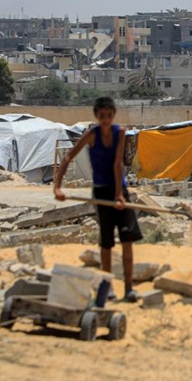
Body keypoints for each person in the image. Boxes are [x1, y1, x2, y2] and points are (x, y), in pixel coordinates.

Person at [54, 97, 143, 303]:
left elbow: (117, 164)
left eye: (109, 116)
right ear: (97, 116)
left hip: (119, 190)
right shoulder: (91, 135)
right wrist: (57, 186)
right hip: (101, 191)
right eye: (102, 116)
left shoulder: (119, 133)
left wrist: (120, 195)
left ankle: (129, 288)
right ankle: (107, 286)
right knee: (106, 243)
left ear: (113, 116)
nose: (105, 120)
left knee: (128, 241)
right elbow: (68, 157)